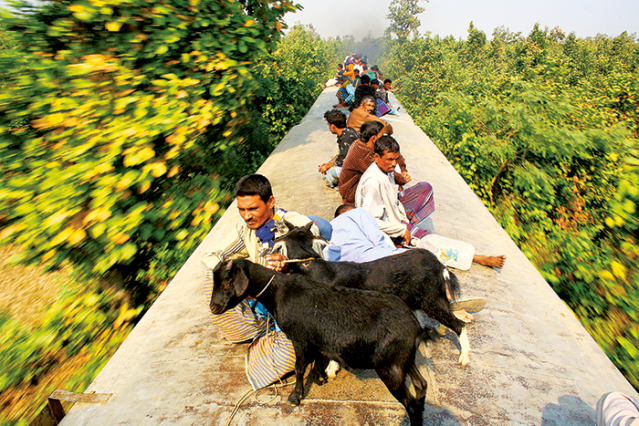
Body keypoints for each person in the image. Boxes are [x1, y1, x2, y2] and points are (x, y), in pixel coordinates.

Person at [202, 174, 324, 390]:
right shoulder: (244, 229)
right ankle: (262, 331)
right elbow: (211, 257)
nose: (247, 216)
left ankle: (274, 339)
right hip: (258, 301)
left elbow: (311, 232)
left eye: (253, 209)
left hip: (290, 305)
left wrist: (288, 259)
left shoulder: (290, 222)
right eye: (241, 209)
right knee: (211, 286)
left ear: (270, 202)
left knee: (291, 354)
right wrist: (240, 278)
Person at [355, 136, 506, 270]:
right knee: (429, 241)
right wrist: (400, 229)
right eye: (389, 159)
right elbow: (368, 222)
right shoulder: (372, 184)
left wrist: (401, 217)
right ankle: (478, 258)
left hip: (395, 215)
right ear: (376, 157)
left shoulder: (385, 170)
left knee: (424, 189)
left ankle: (410, 230)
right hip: (385, 229)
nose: (394, 164)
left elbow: (393, 198)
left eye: (396, 159)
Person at [330, 205, 487, 321]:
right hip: (376, 260)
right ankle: (449, 295)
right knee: (423, 260)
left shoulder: (329, 229)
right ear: (349, 210)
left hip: (352, 272)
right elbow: (377, 237)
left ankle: (442, 302)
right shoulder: (357, 213)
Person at [338, 120, 408, 205]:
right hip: (351, 193)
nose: (383, 138)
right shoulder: (363, 154)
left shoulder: (365, 143)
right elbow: (384, 171)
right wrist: (402, 180)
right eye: (381, 135)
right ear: (374, 138)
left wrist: (403, 171)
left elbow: (396, 155)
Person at [318, 109, 360, 187]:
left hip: (356, 168)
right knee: (329, 162)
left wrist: (327, 167)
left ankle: (331, 181)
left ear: (333, 126)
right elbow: (341, 154)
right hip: (350, 160)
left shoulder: (345, 139)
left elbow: (342, 160)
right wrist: (328, 164)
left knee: (333, 172)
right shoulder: (349, 131)